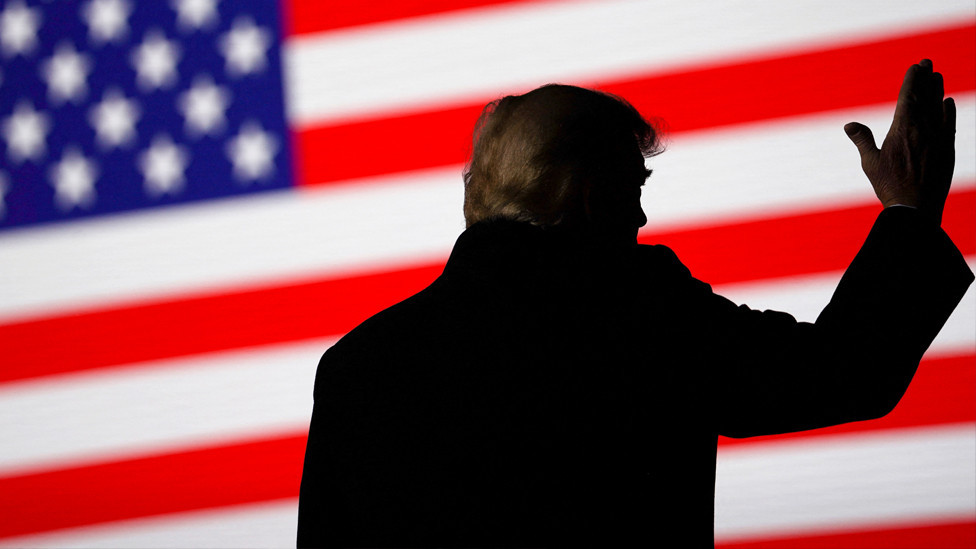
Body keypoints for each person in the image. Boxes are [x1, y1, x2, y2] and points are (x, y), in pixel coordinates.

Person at [297, 59, 972, 547]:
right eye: (633, 186)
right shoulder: (643, 319)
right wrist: (910, 211)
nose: (643, 215)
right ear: (592, 195)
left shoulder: (357, 368)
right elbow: (842, 370)